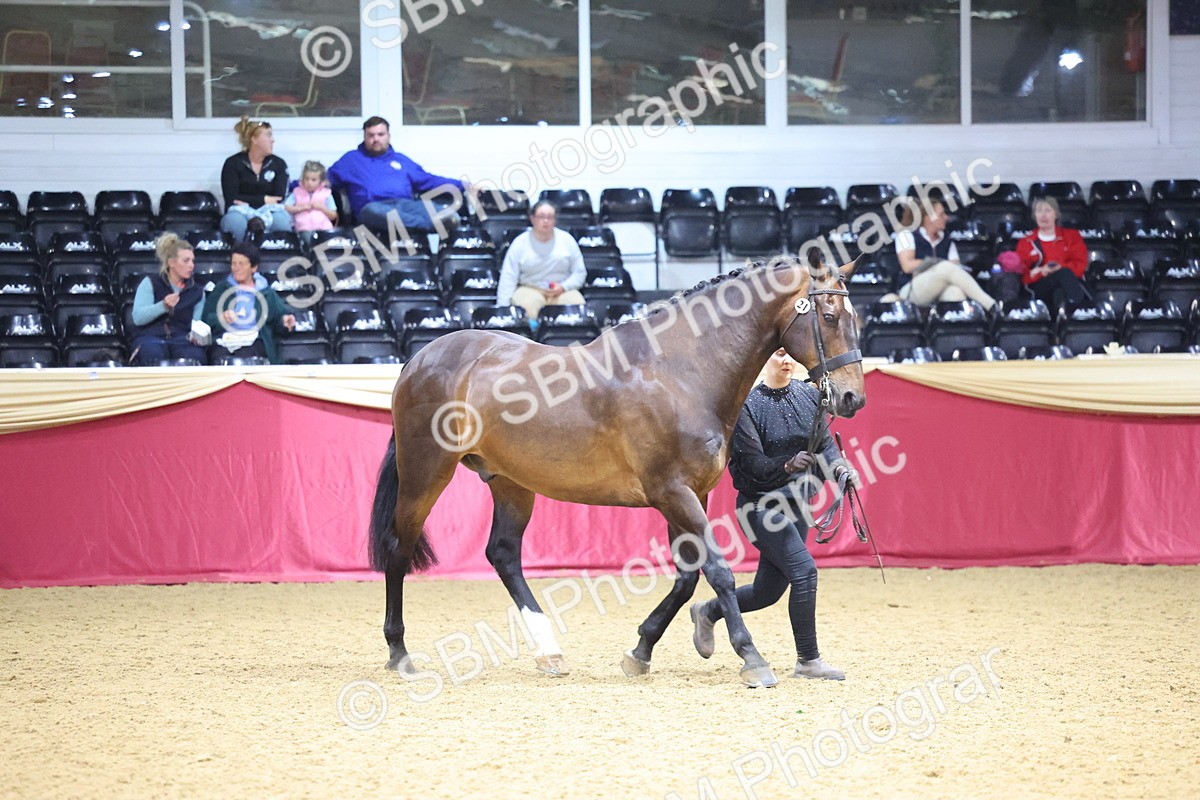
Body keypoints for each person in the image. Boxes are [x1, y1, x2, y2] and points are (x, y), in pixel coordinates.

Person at [690, 348, 859, 681]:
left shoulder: (808, 396)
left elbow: (825, 447)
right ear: (762, 358)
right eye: (778, 354)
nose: (787, 360)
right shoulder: (747, 407)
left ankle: (708, 610)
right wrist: (786, 464)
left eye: (789, 355)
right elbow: (751, 466)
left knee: (768, 591)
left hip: (796, 504)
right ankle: (808, 662)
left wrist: (841, 468)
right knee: (805, 573)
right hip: (761, 508)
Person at [328, 116, 467, 233]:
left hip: (405, 205)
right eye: (371, 135)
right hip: (373, 208)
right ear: (364, 137)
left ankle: (434, 223)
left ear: (388, 135)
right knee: (373, 212)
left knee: (448, 214)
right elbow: (324, 181)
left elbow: (429, 180)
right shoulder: (351, 159)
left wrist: (464, 185)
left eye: (380, 134)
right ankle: (428, 225)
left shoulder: (401, 160)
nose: (376, 139)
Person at [201, 242, 297, 364]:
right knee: (219, 357)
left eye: (241, 264)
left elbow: (279, 318)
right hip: (225, 341)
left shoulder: (266, 293)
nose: (236, 268)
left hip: (255, 341)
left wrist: (285, 321)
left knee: (247, 356)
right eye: (234, 263)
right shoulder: (222, 289)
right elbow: (205, 321)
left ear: (254, 268)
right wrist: (221, 319)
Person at [893, 198, 997, 311]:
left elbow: (956, 268)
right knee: (945, 266)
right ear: (928, 218)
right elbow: (907, 266)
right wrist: (936, 263)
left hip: (940, 289)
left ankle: (959, 323)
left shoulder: (947, 240)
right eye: (941, 214)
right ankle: (990, 305)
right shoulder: (906, 235)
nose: (946, 217)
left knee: (955, 292)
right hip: (911, 290)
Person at [496, 201, 587, 320]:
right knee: (527, 307)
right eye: (541, 217)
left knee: (577, 306)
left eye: (550, 217)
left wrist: (564, 286)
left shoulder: (567, 240)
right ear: (532, 219)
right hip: (530, 288)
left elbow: (580, 273)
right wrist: (503, 309)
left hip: (562, 289)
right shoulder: (520, 243)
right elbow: (508, 277)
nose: (546, 221)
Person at [129, 233, 207, 365]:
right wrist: (163, 306)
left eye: (193, 261)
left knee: (194, 356)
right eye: (186, 261)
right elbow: (138, 318)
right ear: (171, 262)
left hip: (182, 339)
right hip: (150, 337)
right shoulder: (150, 283)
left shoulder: (197, 292)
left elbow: (197, 325)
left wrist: (199, 336)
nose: (191, 265)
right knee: (152, 353)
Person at [220, 116, 292, 241]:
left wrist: (248, 199)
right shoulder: (233, 163)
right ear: (254, 139)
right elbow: (231, 198)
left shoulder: (278, 164)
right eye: (268, 135)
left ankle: (278, 259)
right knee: (234, 222)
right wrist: (264, 199)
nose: (273, 140)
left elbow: (279, 198)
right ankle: (239, 258)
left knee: (281, 222)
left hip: (270, 211)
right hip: (240, 211)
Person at [1016, 196, 1091, 309]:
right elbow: (1024, 276)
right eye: (1039, 211)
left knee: (1060, 291)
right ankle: (1079, 311)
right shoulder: (1025, 242)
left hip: (1069, 282)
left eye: (1047, 210)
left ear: (1055, 214)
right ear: (1034, 216)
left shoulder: (1072, 236)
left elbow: (1081, 266)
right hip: (1040, 285)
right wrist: (1042, 271)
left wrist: (1059, 267)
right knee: (1064, 275)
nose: (1043, 215)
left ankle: (1064, 319)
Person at [284, 160, 338, 246]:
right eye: (307, 179)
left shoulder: (326, 193)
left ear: (320, 181)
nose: (309, 182)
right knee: (309, 241)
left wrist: (322, 208)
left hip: (324, 229)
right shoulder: (297, 192)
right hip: (303, 229)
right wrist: (301, 208)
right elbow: (286, 207)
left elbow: (333, 215)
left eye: (314, 180)